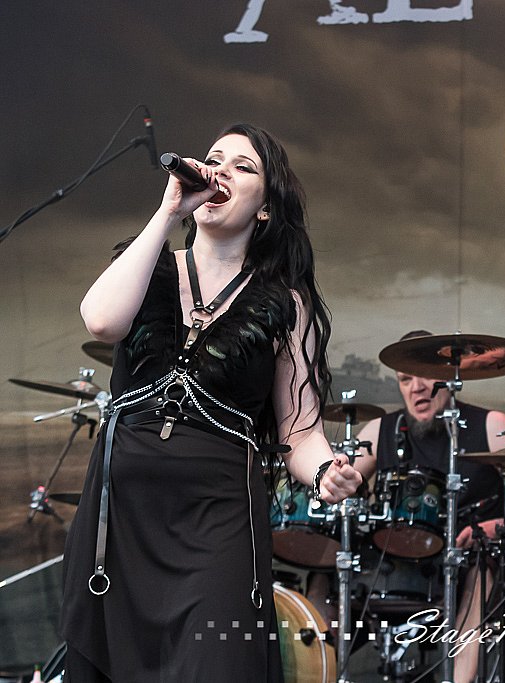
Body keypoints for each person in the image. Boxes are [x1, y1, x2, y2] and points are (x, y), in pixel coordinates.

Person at [60, 123, 364, 681]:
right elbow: (101, 321)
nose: (220, 171)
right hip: (121, 517)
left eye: (243, 167)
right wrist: (168, 212)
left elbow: (300, 430)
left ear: (265, 208)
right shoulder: (149, 266)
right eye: (214, 159)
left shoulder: (284, 303)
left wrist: (325, 470)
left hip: (216, 520)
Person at [347, 330, 505, 683]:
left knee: (480, 569)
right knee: (329, 559)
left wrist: (490, 528)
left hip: (468, 560)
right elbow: (334, 488)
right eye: (405, 379)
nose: (416, 387)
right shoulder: (379, 430)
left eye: (425, 375)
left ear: (449, 375)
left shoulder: (492, 425)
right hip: (396, 558)